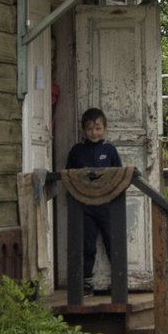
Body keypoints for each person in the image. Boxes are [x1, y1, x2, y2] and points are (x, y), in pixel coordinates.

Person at [66, 107, 122, 295]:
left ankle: (119, 282)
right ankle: (86, 283)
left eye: (98, 128)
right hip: (85, 207)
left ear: (104, 128)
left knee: (112, 243)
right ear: (84, 129)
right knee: (87, 245)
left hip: (107, 206)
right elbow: (69, 175)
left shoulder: (110, 150)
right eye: (90, 128)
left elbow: (119, 175)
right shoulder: (77, 151)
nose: (94, 132)